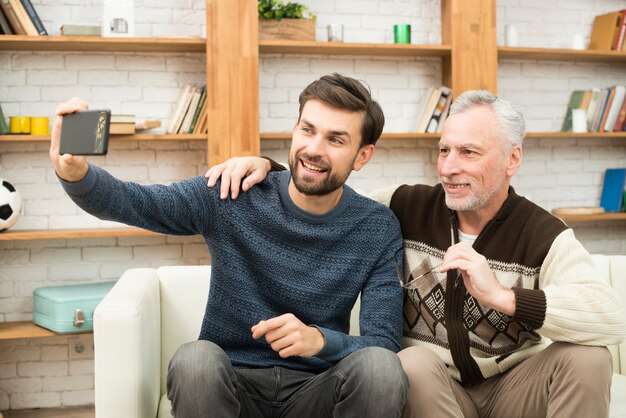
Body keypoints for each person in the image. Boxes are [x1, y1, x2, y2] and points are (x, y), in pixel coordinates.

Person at [204, 89, 626, 418]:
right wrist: (268, 168)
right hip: (433, 391)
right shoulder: (403, 207)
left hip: (516, 389)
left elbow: (611, 317)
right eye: (444, 150)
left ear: (512, 158)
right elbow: (330, 198)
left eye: (469, 153)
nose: (448, 167)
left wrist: (504, 297)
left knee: (588, 358)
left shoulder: (542, 234)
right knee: (413, 362)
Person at [50, 73, 408, 418]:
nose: (313, 149)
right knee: (196, 359)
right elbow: (137, 202)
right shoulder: (234, 191)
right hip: (230, 385)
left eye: (335, 139)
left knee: (381, 369)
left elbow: (384, 343)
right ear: (293, 129)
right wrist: (74, 172)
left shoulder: (375, 227)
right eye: (307, 130)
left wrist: (320, 341)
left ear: (362, 156)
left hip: (317, 391)